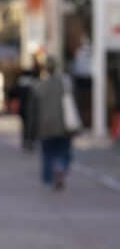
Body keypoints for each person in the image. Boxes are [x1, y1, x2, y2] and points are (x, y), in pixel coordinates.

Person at [27, 57, 77, 190]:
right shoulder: (65, 84)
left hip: (45, 127)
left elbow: (33, 111)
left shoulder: (39, 86)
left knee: (48, 154)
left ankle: (49, 180)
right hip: (63, 126)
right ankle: (60, 167)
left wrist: (30, 134)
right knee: (64, 151)